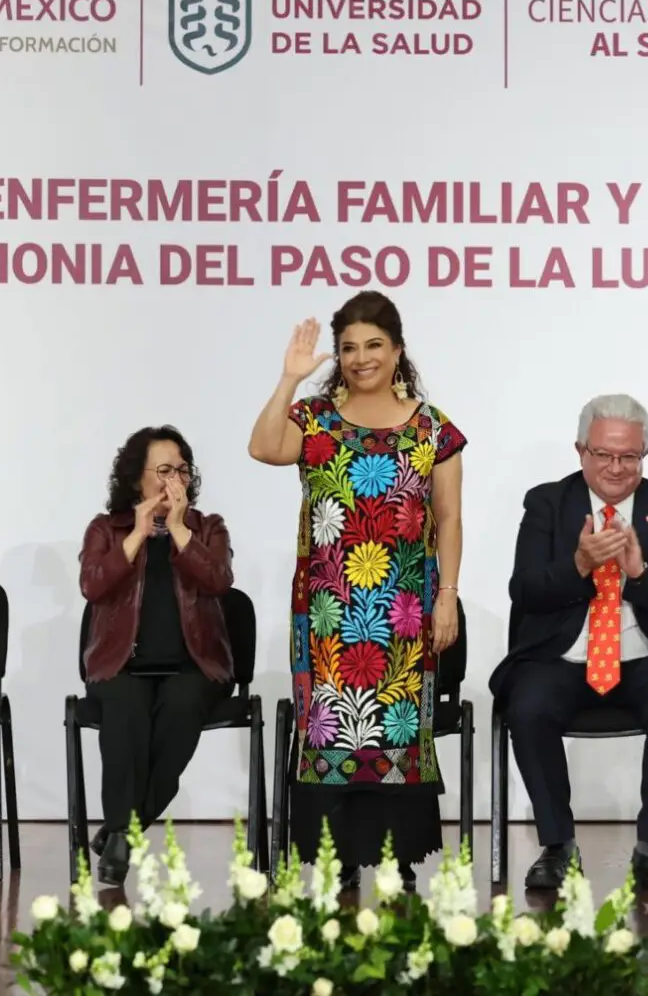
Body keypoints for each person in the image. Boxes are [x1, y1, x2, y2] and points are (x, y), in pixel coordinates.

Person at [247, 290, 464, 891]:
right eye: (348, 348)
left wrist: (447, 596)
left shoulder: (432, 428)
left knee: (396, 738)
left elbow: (449, 518)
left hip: (403, 615)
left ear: (397, 350)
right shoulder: (312, 419)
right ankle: (337, 870)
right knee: (330, 737)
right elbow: (264, 448)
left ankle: (398, 870)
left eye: (374, 345)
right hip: (327, 617)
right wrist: (290, 379)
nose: (361, 357)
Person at [495, 394, 648, 891]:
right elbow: (523, 589)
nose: (617, 468)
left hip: (642, 658)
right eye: (604, 455)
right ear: (581, 451)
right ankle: (557, 846)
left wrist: (639, 573)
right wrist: (579, 566)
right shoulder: (547, 503)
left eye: (629, 457)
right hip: (561, 656)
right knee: (527, 704)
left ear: (644, 455)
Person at [78, 425, 236, 884]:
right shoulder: (106, 529)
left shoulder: (208, 527)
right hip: (120, 664)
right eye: (163, 470)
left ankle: (119, 832)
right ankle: (124, 834)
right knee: (124, 715)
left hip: (195, 665)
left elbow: (218, 581)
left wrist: (182, 532)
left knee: (182, 709)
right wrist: (138, 535)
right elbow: (94, 585)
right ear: (135, 479)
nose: (174, 481)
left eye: (182, 471)